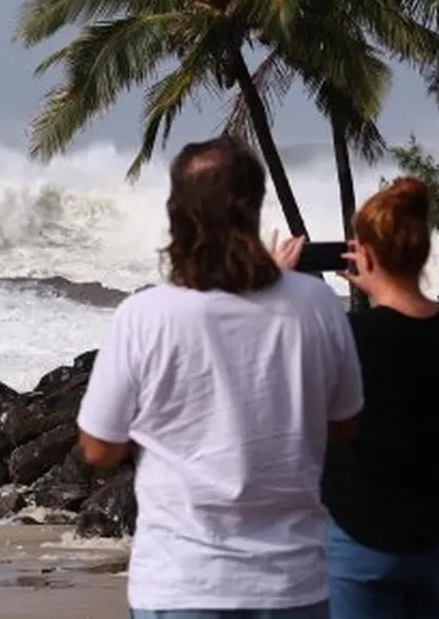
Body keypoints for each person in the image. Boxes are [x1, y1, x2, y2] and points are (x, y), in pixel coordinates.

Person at [76, 135, 364, 619]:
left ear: (176, 215)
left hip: (181, 583)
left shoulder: (145, 315)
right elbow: (344, 425)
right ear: (254, 210)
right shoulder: (315, 305)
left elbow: (99, 449)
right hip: (291, 584)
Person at [311, 177, 439, 618]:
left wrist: (270, 284)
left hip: (361, 533)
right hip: (434, 530)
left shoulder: (352, 336)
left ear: (365, 254)